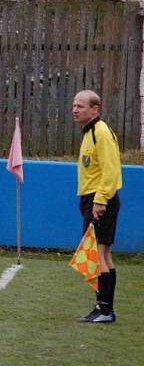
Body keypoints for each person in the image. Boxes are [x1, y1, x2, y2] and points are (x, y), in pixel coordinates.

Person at [71, 90, 122, 324]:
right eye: (74, 105)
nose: (75, 109)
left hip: (99, 201)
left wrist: (100, 200)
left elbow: (111, 170)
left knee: (98, 253)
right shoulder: (89, 133)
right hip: (91, 200)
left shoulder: (101, 132)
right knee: (104, 253)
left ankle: (104, 309)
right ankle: (104, 308)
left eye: (81, 106)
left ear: (95, 109)